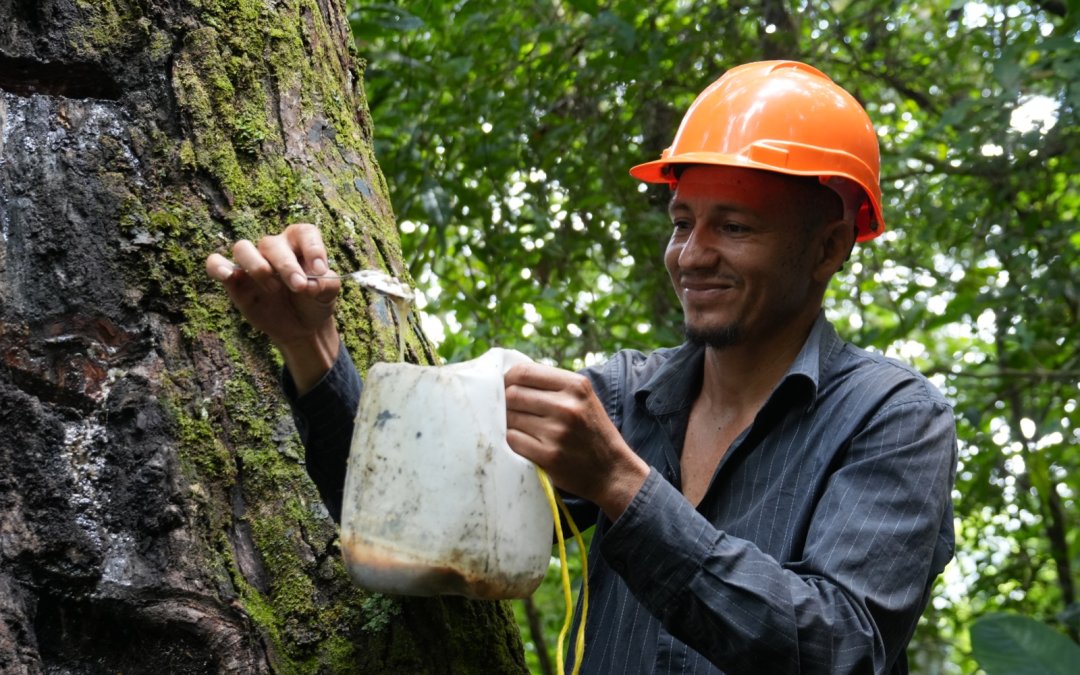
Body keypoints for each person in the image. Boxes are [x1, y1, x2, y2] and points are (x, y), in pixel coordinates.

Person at [206, 61, 957, 674]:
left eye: (734, 226)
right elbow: (412, 522)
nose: (692, 255)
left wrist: (623, 487)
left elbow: (839, 648)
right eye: (683, 223)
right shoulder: (627, 397)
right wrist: (312, 346)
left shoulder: (892, 415)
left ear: (828, 247)